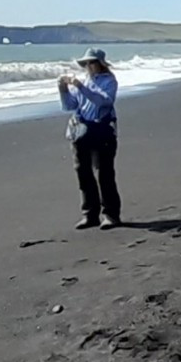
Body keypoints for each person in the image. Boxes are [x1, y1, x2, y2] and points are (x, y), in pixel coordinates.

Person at [58, 48, 122, 230]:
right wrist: (62, 89)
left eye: (92, 62)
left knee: (104, 173)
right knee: (83, 174)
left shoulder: (109, 81)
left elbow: (104, 101)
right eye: (86, 63)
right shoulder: (85, 80)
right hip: (81, 131)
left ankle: (111, 214)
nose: (88, 66)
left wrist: (80, 87)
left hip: (103, 130)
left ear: (100, 63)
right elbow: (69, 105)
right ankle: (90, 214)